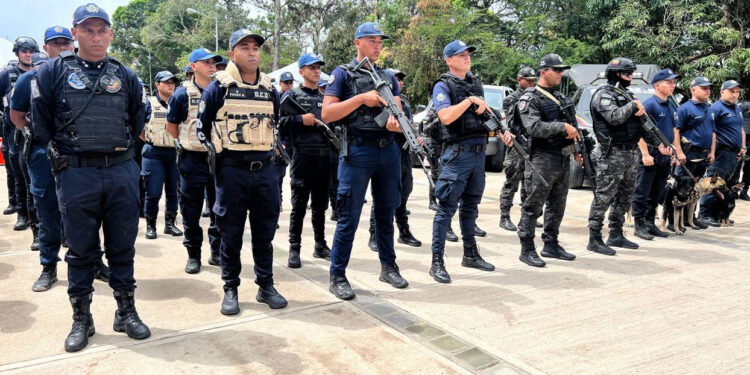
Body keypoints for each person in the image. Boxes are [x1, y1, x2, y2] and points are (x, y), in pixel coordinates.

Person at [32, 3, 150, 352]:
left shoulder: (126, 74)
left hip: (121, 171)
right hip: (76, 174)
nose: (96, 37)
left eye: (102, 30)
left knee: (122, 247)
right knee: (81, 251)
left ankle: (125, 311)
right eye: (88, 30)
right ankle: (82, 318)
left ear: (111, 34)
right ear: (75, 33)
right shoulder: (51, 71)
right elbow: (41, 123)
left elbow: (137, 120)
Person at [197, 29, 287, 313]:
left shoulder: (270, 88)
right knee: (231, 234)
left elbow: (278, 123)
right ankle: (231, 288)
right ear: (232, 52)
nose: (252, 52)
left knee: (264, 234)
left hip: (265, 173)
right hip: (232, 172)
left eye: (255, 48)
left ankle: (265, 285)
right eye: (244, 47)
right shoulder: (218, 87)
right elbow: (201, 127)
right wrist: (218, 153)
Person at [322, 22, 409, 300]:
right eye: (371, 40)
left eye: (379, 40)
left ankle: (388, 266)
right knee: (349, 215)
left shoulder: (388, 76)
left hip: (388, 151)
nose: (377, 44)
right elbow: (328, 114)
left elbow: (397, 111)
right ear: (357, 42)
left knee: (386, 212)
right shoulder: (342, 74)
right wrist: (361, 98)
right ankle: (337, 275)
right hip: (357, 151)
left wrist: (398, 123)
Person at [428, 40, 513, 283]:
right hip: (457, 154)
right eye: (460, 55)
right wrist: (469, 102)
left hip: (478, 154)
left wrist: (501, 129)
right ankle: (437, 262)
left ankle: (470, 254)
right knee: (446, 208)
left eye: (467, 54)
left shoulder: (475, 83)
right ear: (449, 60)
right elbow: (445, 116)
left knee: (470, 207)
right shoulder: (443, 85)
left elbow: (486, 115)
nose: (466, 58)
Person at [9, 26, 74, 291]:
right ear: (44, 49)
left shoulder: (83, 76)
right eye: (54, 44)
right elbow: (16, 116)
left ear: (73, 45)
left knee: (84, 212)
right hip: (41, 152)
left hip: (76, 154)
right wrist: (36, 132)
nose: (60, 47)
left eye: (65, 43)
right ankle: (49, 266)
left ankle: (93, 262)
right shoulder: (29, 79)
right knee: (47, 211)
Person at [586, 58, 670, 255]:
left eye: (632, 73)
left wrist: (660, 143)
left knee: (625, 196)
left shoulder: (627, 95)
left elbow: (643, 126)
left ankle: (616, 233)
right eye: (627, 73)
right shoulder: (603, 94)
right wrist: (633, 106)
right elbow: (614, 117)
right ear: (615, 74)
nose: (630, 76)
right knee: (604, 196)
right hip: (611, 153)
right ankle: (595, 237)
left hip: (631, 152)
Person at [515, 54, 580, 267]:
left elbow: (574, 128)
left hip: (562, 157)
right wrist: (561, 128)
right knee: (533, 205)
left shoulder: (561, 98)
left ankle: (551, 244)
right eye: (557, 70)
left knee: (557, 205)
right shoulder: (530, 97)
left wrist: (578, 149)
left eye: (562, 70)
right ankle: (527, 248)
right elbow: (533, 127)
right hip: (541, 159)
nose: (561, 74)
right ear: (544, 72)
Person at [167, 47, 221, 274]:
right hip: (192, 160)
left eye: (213, 63)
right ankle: (194, 254)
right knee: (191, 210)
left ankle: (217, 251)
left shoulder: (222, 90)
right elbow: (172, 128)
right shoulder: (182, 94)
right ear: (193, 67)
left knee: (219, 210)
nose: (212, 66)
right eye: (206, 62)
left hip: (218, 160)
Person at [279, 53, 333, 268]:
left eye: (319, 67)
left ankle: (320, 245)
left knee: (321, 205)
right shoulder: (291, 96)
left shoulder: (325, 98)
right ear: (301, 72)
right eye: (312, 68)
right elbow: (278, 122)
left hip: (324, 157)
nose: (317, 71)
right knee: (299, 205)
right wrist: (299, 119)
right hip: (303, 157)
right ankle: (295, 248)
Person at [367, 68, 422, 251]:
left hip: (404, 154)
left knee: (404, 192)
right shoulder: (379, 101)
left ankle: (404, 231)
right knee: (383, 196)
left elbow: (409, 125)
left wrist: (416, 137)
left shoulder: (403, 102)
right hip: (388, 152)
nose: (399, 82)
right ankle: (374, 233)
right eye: (396, 79)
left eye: (400, 80)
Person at [631, 69, 680, 239]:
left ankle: (650, 223)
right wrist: (645, 154)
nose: (673, 85)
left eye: (674, 82)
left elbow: (674, 131)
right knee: (643, 190)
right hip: (650, 154)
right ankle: (639, 224)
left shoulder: (671, 104)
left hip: (665, 155)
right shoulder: (650, 104)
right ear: (657, 85)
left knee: (658, 191)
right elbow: (639, 131)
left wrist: (675, 152)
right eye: (669, 82)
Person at [1, 36, 37, 231]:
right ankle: (22, 213)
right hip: (14, 132)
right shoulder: (7, 74)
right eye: (24, 51)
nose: (29, 55)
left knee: (36, 177)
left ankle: (36, 217)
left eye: (31, 51)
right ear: (17, 53)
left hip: (35, 131)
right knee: (18, 174)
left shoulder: (41, 71)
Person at [141, 70, 183, 239]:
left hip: (174, 153)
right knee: (153, 192)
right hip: (154, 153)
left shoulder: (179, 102)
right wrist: (151, 140)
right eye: (166, 82)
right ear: (157, 85)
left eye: (173, 82)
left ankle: (170, 224)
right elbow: (139, 128)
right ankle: (151, 226)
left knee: (173, 191)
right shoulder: (149, 103)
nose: (171, 84)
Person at [699, 80, 746, 225]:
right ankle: (705, 214)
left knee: (726, 186)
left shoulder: (737, 108)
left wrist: (743, 147)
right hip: (721, 152)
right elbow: (709, 131)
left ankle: (720, 213)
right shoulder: (715, 108)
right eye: (732, 91)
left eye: (737, 92)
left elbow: (741, 129)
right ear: (722, 92)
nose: (735, 94)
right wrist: (712, 151)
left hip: (735, 153)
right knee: (714, 183)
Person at [672, 76, 716, 229]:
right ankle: (674, 221)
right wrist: (678, 152)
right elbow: (676, 131)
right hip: (688, 155)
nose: (707, 91)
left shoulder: (708, 109)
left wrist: (712, 152)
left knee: (695, 189)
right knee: (682, 188)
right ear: (693, 90)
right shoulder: (684, 108)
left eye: (708, 88)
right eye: (703, 88)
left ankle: (690, 218)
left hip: (703, 156)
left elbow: (713, 133)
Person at [499, 66, 537, 232]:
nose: (530, 83)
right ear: (519, 80)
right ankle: (505, 216)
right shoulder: (512, 99)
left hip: (532, 144)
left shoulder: (535, 96)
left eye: (532, 81)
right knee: (512, 181)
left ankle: (526, 215)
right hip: (516, 145)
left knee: (528, 182)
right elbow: (510, 123)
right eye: (527, 80)